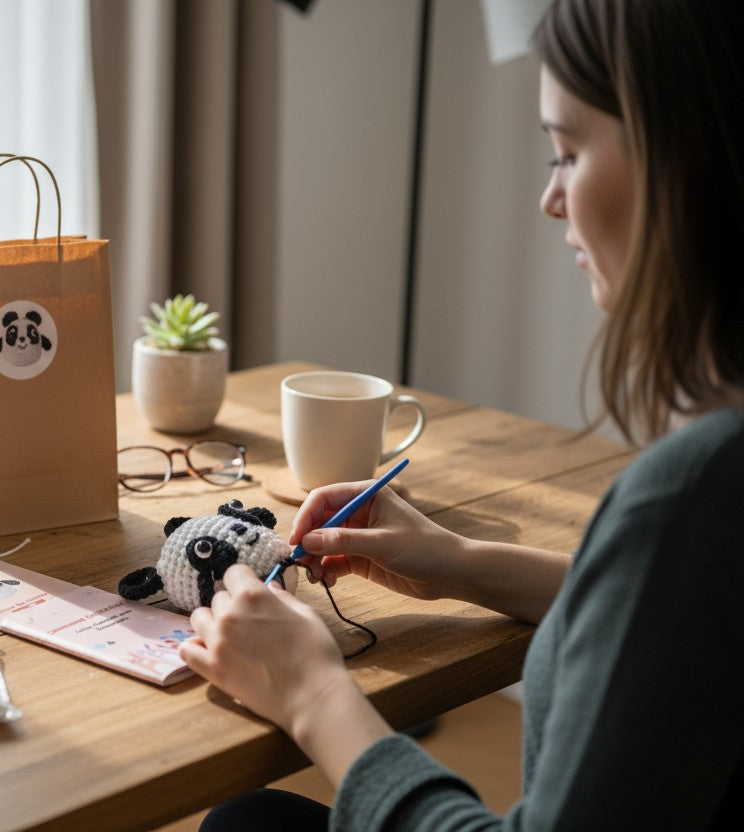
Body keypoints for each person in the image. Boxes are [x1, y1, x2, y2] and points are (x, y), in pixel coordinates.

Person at [178, 0, 744, 828]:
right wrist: (459, 561)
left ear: (682, 159)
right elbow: (669, 625)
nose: (553, 199)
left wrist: (314, 694)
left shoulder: (694, 493)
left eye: (569, 152)